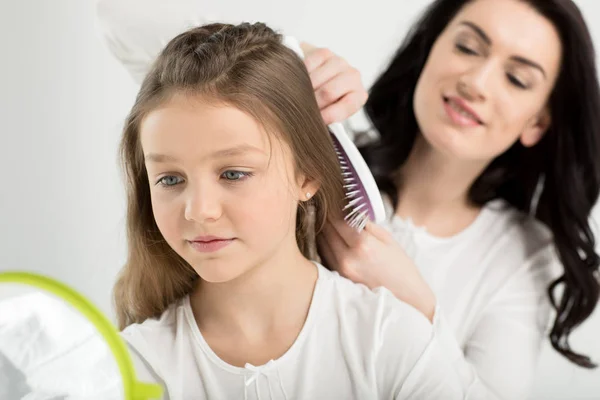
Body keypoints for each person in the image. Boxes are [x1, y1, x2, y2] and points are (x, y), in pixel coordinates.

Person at [96, 0, 600, 399]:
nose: (476, 81)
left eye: (517, 77)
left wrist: (420, 306)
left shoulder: (521, 256)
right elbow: (128, 13)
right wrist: (289, 58)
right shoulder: (326, 145)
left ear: (540, 120)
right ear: (430, 49)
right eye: (468, 47)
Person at [112, 21, 465, 400]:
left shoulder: (390, 341)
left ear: (307, 174)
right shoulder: (135, 367)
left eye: (233, 173)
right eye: (169, 179)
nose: (199, 211)